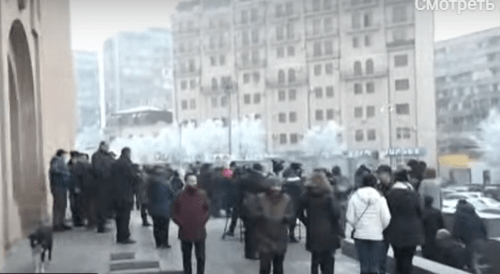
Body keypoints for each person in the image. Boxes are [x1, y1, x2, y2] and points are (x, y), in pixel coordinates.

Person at [346, 173, 391, 274]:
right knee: (375, 265)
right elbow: (386, 218)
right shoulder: (381, 198)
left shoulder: (354, 197)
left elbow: (350, 217)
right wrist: (380, 228)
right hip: (376, 235)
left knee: (364, 264)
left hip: (360, 235)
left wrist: (356, 226)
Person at [297, 172, 341, 274]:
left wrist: (307, 222)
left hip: (313, 231)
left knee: (315, 260)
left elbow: (298, 212)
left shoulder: (306, 195)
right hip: (329, 232)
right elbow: (336, 214)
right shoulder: (329, 195)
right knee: (328, 261)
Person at [249, 177, 294, 274]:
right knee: (272, 265)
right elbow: (253, 215)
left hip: (270, 235)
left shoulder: (285, 199)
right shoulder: (260, 198)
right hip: (270, 235)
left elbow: (252, 216)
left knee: (273, 265)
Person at [385, 169, 425, 274]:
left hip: (396, 232)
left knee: (398, 258)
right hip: (413, 232)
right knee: (408, 259)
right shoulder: (414, 195)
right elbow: (421, 212)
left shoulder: (390, 195)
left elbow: (386, 214)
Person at [173, 173, 210, 274]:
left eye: (195, 181)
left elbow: (207, 210)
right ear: (186, 182)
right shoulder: (179, 195)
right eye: (191, 181)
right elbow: (174, 212)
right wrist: (181, 223)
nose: (193, 183)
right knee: (186, 256)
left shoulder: (202, 194)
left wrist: (202, 221)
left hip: (199, 230)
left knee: (201, 256)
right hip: (185, 230)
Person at [110, 147, 138, 244]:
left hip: (115, 194)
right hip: (125, 193)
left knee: (119, 216)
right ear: (128, 153)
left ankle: (119, 236)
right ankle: (124, 236)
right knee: (125, 217)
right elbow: (132, 177)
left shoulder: (115, 163)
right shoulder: (126, 164)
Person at [452, 199, 488, 268]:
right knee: (481, 263)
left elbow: (456, 228)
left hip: (470, 242)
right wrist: (485, 238)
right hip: (481, 240)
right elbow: (483, 227)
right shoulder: (474, 214)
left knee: (471, 263)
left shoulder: (459, 214)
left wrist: (455, 238)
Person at [147, 166, 175, 248]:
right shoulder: (167, 184)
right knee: (164, 227)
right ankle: (164, 243)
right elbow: (172, 195)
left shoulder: (150, 184)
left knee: (156, 226)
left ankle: (158, 243)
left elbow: (148, 195)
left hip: (153, 208)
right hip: (165, 208)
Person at [91, 141, 114, 233]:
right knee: (101, 205)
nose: (107, 148)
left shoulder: (107, 156)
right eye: (106, 146)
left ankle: (104, 223)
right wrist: (105, 174)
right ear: (101, 146)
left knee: (106, 204)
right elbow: (97, 169)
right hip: (101, 183)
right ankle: (100, 225)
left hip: (108, 183)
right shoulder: (96, 156)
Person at [374, 165, 392, 274]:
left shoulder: (393, 187)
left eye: (380, 174)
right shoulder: (378, 187)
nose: (379, 176)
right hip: (379, 225)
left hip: (389, 224)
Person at [49, 149, 72, 231]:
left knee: (63, 205)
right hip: (58, 187)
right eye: (64, 155)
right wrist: (65, 173)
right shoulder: (56, 161)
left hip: (62, 186)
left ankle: (61, 222)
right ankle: (57, 224)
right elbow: (55, 170)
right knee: (59, 206)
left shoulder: (59, 162)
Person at [421, 196, 445, 260]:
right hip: (435, 231)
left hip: (425, 233)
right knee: (434, 247)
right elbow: (441, 223)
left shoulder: (421, 212)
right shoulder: (437, 211)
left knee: (425, 248)